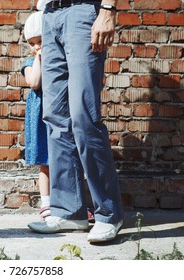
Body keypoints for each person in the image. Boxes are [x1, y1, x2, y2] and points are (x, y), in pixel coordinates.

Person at [28, 0, 123, 243]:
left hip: (81, 10)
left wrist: (108, 9)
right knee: (56, 118)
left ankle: (108, 214)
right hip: (49, 15)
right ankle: (69, 211)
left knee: (84, 116)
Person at [21, 11, 51, 221]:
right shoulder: (29, 63)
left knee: (65, 159)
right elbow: (34, 82)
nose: (36, 46)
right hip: (40, 113)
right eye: (32, 43)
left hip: (58, 111)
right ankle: (47, 203)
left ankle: (68, 202)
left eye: (40, 41)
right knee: (46, 160)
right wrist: (39, 57)